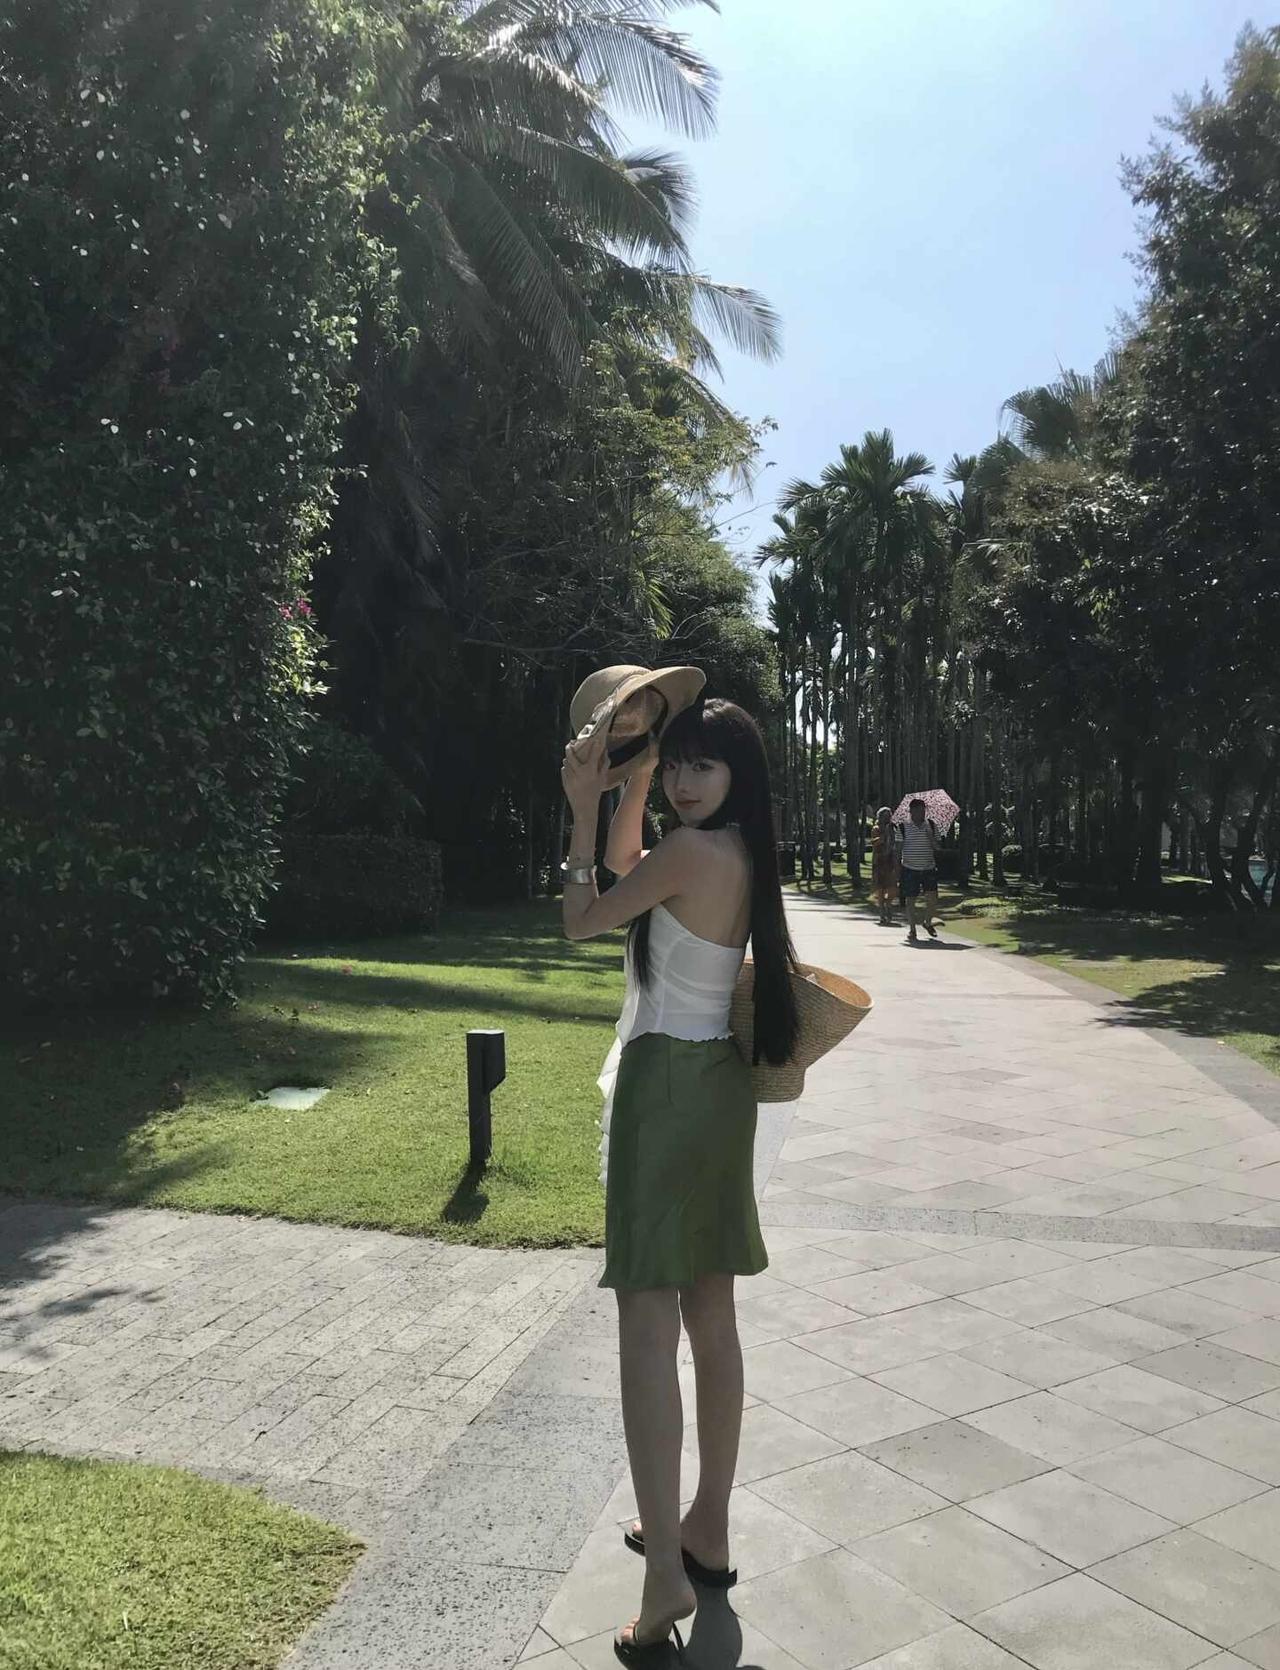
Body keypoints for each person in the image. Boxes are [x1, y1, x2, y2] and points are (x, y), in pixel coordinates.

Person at [560, 694, 799, 1664]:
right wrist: (632, 781)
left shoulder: (693, 853)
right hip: (718, 1089)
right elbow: (635, 866)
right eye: (679, 763)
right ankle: (705, 1529)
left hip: (664, 1090)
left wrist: (583, 803)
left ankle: (665, 1572)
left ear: (737, 773)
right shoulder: (732, 851)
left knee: (646, 1327)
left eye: (705, 764)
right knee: (711, 1312)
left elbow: (582, 916)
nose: (688, 781)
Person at [900, 797, 941, 944]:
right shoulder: (903, 827)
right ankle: (912, 929)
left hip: (928, 867)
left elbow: (937, 847)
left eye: (924, 810)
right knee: (910, 900)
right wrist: (897, 870)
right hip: (910, 868)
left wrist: (930, 837)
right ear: (911, 811)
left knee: (932, 898)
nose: (922, 813)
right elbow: (898, 849)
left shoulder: (931, 825)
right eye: (918, 811)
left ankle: (927, 922)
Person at [870, 805, 900, 926]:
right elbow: (874, 842)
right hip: (879, 862)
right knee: (880, 888)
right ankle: (882, 912)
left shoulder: (894, 828)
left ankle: (888, 904)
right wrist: (884, 835)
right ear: (880, 817)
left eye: (889, 815)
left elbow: (897, 842)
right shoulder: (876, 829)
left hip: (891, 861)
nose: (887, 818)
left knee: (892, 887)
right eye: (885, 816)